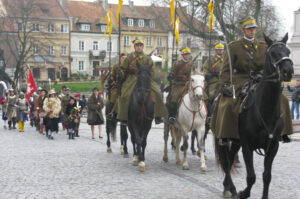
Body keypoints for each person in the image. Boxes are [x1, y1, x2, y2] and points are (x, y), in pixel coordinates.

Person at [211, 17, 293, 145]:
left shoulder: (263, 47)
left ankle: (284, 132)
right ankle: (225, 135)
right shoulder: (233, 47)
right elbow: (226, 70)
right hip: (240, 80)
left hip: (261, 80)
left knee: (283, 99)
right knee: (228, 104)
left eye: (253, 28)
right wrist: (225, 86)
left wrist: (261, 74)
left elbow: (268, 65)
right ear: (243, 30)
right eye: (249, 29)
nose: (252, 31)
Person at [117, 39, 167, 124]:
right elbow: (123, 69)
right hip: (132, 78)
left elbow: (152, 71)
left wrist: (147, 75)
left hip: (145, 78)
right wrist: (120, 72)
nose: (139, 47)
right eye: (137, 45)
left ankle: (158, 116)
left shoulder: (147, 58)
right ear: (135, 47)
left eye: (140, 45)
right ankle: (123, 117)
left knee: (158, 92)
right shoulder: (129, 57)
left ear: (143, 47)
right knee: (125, 94)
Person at [166, 47, 197, 124]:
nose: (187, 56)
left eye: (188, 54)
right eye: (185, 54)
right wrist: (171, 75)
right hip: (178, 84)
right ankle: (172, 116)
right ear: (182, 55)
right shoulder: (177, 64)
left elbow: (195, 74)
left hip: (189, 84)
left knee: (202, 96)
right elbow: (172, 72)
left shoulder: (193, 64)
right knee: (174, 98)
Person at [107, 53, 127, 120]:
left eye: (125, 58)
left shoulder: (129, 67)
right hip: (117, 86)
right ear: (120, 58)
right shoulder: (116, 66)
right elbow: (112, 76)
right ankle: (112, 113)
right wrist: (115, 82)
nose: (124, 59)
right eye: (123, 58)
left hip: (127, 85)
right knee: (113, 96)